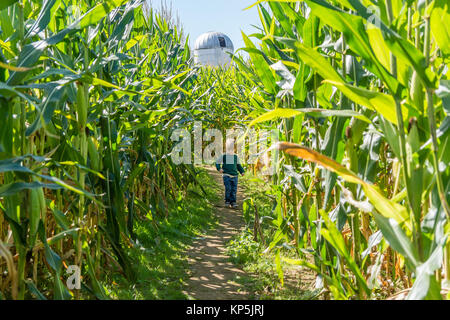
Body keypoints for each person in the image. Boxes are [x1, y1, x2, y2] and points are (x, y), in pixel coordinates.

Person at [215, 139, 245, 208]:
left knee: (234, 189)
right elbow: (217, 162)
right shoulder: (224, 156)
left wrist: (242, 171)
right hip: (226, 175)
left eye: (232, 148)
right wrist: (219, 168)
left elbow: (238, 165)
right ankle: (227, 201)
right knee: (228, 188)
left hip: (235, 176)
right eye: (229, 148)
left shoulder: (235, 157)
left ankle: (233, 202)